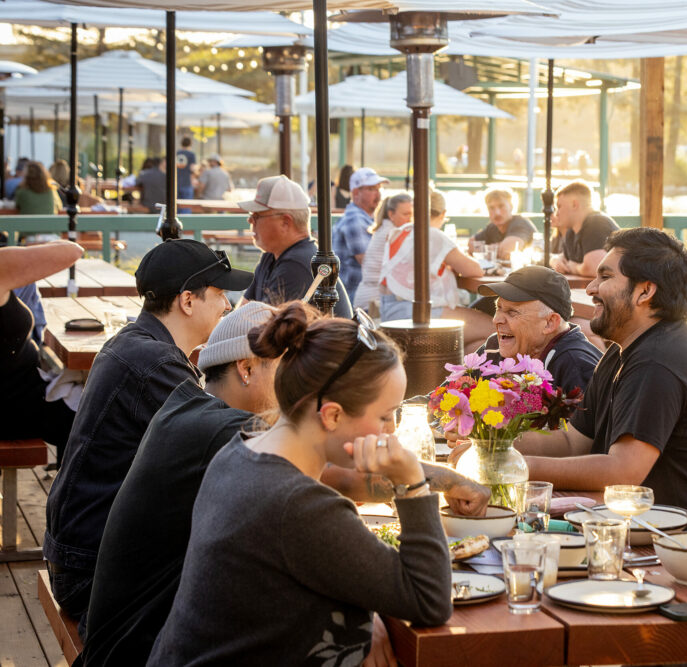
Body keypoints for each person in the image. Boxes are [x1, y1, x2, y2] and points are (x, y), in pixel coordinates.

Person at [84, 302, 489, 666]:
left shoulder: (242, 454)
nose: (392, 429)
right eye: (386, 415)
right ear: (330, 416)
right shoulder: (296, 503)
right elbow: (429, 599)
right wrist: (413, 486)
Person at [43, 239, 253, 631]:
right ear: (188, 300)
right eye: (220, 293)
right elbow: (234, 447)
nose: (227, 306)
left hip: (76, 556)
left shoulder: (136, 344)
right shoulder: (154, 363)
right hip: (90, 577)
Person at [454, 228, 687, 518]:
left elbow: (623, 472)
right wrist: (490, 444)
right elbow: (574, 441)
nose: (591, 288)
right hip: (632, 521)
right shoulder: (626, 350)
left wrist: (510, 464)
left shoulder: (658, 361)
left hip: (674, 539)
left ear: (645, 291)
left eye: (605, 277)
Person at [0, 241, 83, 466]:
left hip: (22, 396)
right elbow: (72, 251)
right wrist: (19, 254)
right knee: (101, 413)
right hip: (17, 409)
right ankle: (80, 497)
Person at [379, 190, 494, 352]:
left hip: (390, 311)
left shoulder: (401, 231)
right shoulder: (432, 233)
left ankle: (460, 374)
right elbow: (474, 269)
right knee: (497, 331)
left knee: (479, 343)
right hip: (415, 312)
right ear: (443, 214)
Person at [238, 174, 352, 317]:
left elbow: (261, 329)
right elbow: (240, 318)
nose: (250, 220)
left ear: (285, 222)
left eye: (257, 216)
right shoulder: (272, 255)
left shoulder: (296, 264)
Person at [475, 265, 601, 395]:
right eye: (498, 308)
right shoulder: (493, 347)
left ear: (549, 323)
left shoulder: (575, 366)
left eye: (512, 312)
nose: (496, 319)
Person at [333, 166, 388, 299]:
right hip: (353, 296)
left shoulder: (365, 218)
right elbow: (369, 262)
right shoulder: (355, 219)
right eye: (371, 189)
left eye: (379, 188)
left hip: (361, 292)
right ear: (356, 193)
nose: (378, 194)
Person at [352, 192, 412, 312]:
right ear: (391, 214)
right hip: (374, 302)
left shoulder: (385, 229)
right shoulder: (392, 233)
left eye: (412, 214)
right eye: (406, 214)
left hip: (366, 298)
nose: (410, 218)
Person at [549, 179, 618, 278]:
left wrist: (575, 268)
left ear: (574, 204)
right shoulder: (571, 233)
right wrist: (555, 260)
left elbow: (596, 268)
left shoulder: (596, 223)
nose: (556, 213)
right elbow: (565, 258)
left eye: (559, 207)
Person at [471, 186, 536, 260]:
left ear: (511, 206)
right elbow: (471, 244)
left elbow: (508, 250)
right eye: (491, 208)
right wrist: (495, 248)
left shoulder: (520, 223)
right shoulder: (492, 227)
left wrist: (485, 249)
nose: (497, 213)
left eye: (501, 206)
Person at [175, 136, 197, 207]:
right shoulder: (191, 154)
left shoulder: (176, 153)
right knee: (186, 206)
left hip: (176, 182)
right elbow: (192, 169)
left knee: (175, 207)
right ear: (190, 144)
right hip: (187, 183)